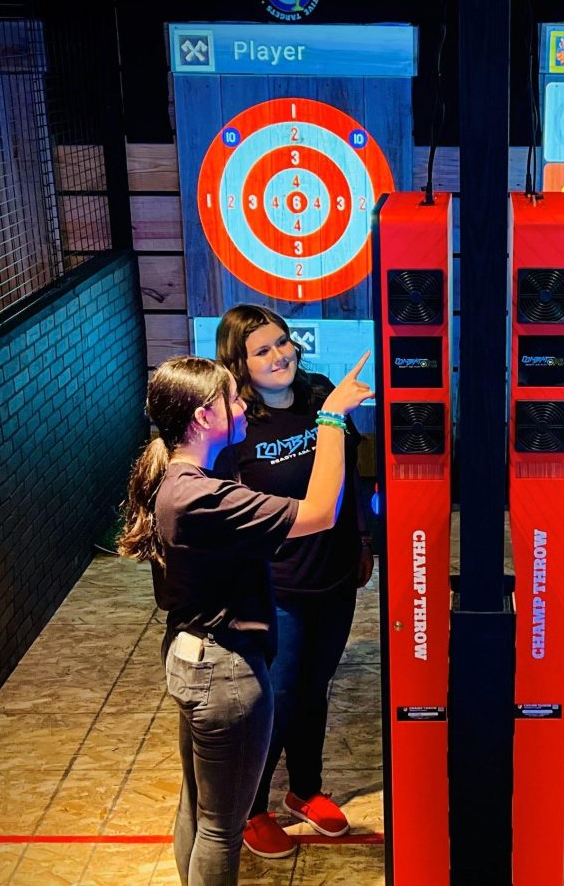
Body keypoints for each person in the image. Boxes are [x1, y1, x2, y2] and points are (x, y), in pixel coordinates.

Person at [117, 352, 371, 886]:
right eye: (230, 397)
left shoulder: (185, 480)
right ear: (203, 416)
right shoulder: (202, 497)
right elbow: (319, 511)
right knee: (219, 828)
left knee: (200, 810)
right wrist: (330, 418)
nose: (241, 404)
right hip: (223, 672)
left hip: (196, 657)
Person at [213, 305, 374, 860]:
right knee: (275, 699)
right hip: (276, 589)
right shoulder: (234, 427)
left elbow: (350, 477)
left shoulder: (321, 397)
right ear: (238, 363)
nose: (280, 355)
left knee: (314, 689)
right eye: (262, 350)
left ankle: (305, 790)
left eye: (282, 342)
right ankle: (251, 808)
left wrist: (363, 541)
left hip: (334, 577)